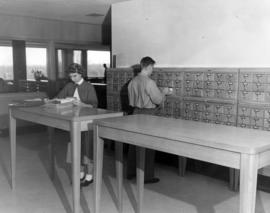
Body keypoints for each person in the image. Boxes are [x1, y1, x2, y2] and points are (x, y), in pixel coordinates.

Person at [127, 56, 171, 183]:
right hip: (148, 114)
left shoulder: (133, 81)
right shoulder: (149, 82)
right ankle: (147, 176)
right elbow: (157, 100)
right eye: (153, 68)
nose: (153, 70)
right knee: (148, 144)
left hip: (135, 113)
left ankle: (131, 172)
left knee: (133, 142)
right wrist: (164, 92)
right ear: (149, 67)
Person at [57, 63, 98, 187]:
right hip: (74, 121)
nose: (72, 79)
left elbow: (94, 105)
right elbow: (59, 98)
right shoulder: (69, 86)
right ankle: (79, 175)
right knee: (75, 148)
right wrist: (53, 101)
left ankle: (89, 176)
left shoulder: (89, 86)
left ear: (81, 74)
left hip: (87, 121)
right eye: (70, 76)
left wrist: (81, 104)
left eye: (74, 76)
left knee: (87, 148)